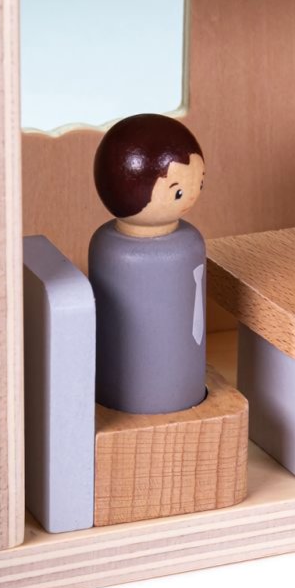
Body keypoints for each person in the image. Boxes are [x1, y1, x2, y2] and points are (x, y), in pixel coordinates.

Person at [89, 113, 208, 414]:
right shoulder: (111, 249)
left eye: (199, 184)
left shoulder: (189, 243)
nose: (190, 196)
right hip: (118, 402)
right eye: (178, 191)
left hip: (186, 385)